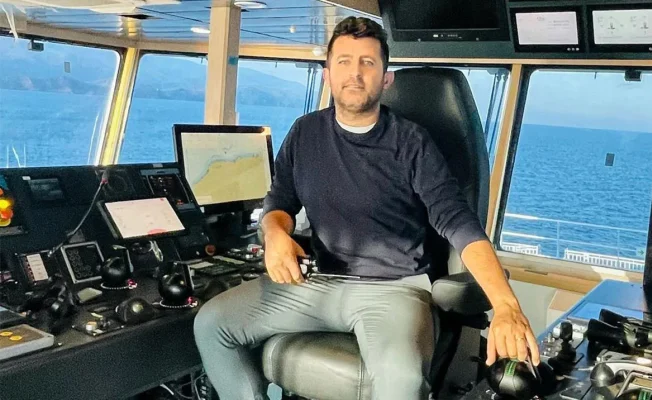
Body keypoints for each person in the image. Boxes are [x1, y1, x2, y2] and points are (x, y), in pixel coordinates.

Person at [193, 16, 539, 400]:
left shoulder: (412, 143)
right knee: (212, 325)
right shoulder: (305, 132)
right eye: (344, 61)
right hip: (315, 282)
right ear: (327, 75)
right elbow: (280, 202)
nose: (355, 73)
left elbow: (458, 223)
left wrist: (506, 304)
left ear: (386, 79)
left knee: (402, 379)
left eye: (368, 62)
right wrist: (275, 234)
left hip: (392, 289)